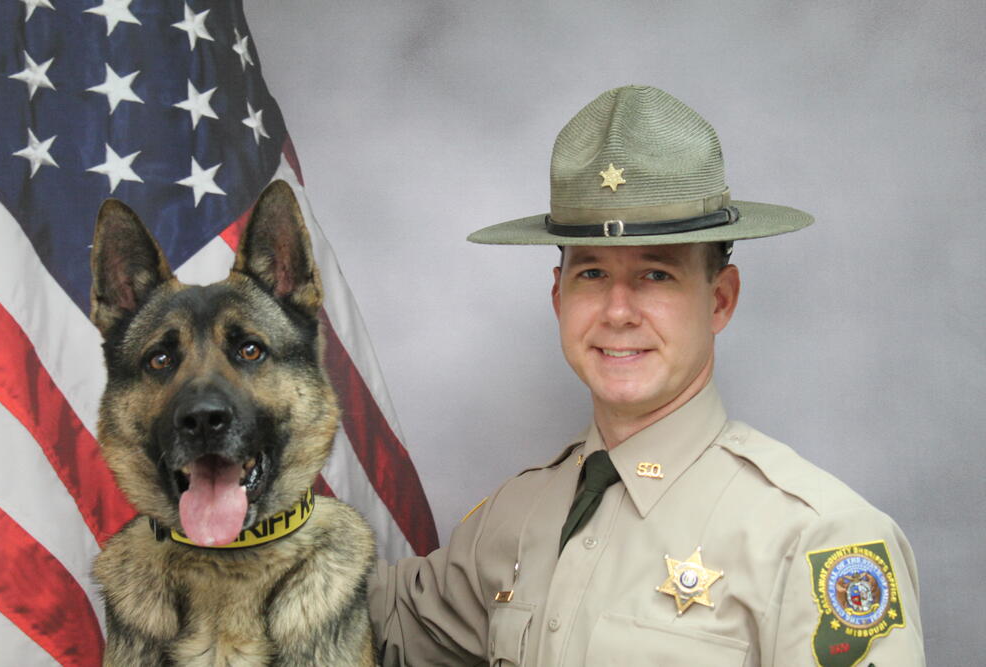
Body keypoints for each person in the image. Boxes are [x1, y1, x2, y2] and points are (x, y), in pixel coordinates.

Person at [368, 85, 925, 666]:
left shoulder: (819, 540)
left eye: (657, 275)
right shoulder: (516, 516)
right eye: (591, 274)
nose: (617, 310)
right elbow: (356, 625)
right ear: (558, 297)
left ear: (720, 300)